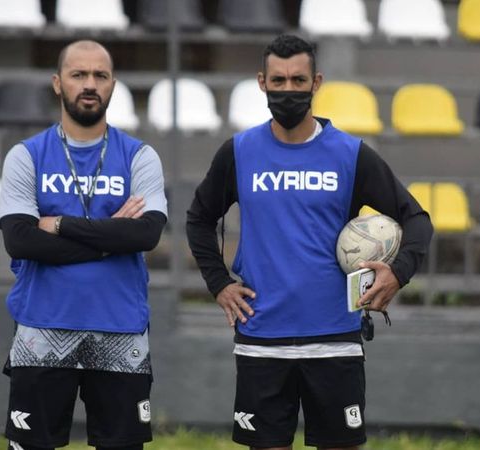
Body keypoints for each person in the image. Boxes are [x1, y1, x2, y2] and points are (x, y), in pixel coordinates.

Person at [186, 34, 433, 450]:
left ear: (316, 83)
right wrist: (219, 283)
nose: (287, 91)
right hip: (262, 337)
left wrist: (397, 273)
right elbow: (198, 218)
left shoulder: (349, 154)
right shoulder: (239, 152)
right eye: (278, 81)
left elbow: (418, 219)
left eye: (297, 81)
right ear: (261, 82)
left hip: (335, 336)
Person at [0, 40, 167, 450]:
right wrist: (111, 238)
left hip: (121, 330)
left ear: (112, 84)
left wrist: (59, 225)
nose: (89, 84)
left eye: (100, 76)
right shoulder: (26, 156)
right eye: (78, 75)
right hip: (42, 326)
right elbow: (19, 241)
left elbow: (145, 235)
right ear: (58, 83)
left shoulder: (140, 156)